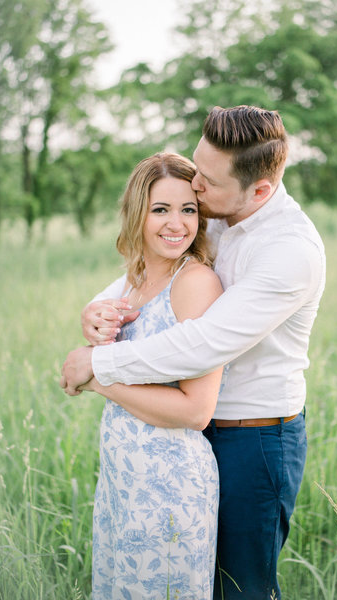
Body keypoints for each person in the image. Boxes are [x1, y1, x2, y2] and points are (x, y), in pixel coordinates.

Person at [61, 105, 326, 600]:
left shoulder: (289, 252)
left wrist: (96, 368)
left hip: (256, 437)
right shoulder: (223, 209)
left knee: (241, 587)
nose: (195, 187)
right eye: (197, 169)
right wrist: (98, 307)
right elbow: (154, 272)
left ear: (260, 191)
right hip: (192, 439)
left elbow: (200, 343)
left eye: (206, 181)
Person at [65, 152, 224, 600]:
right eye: (161, 209)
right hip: (122, 481)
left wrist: (96, 378)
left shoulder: (195, 284)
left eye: (188, 210)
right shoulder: (132, 282)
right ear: (137, 213)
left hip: (170, 487)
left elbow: (196, 411)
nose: (177, 224)